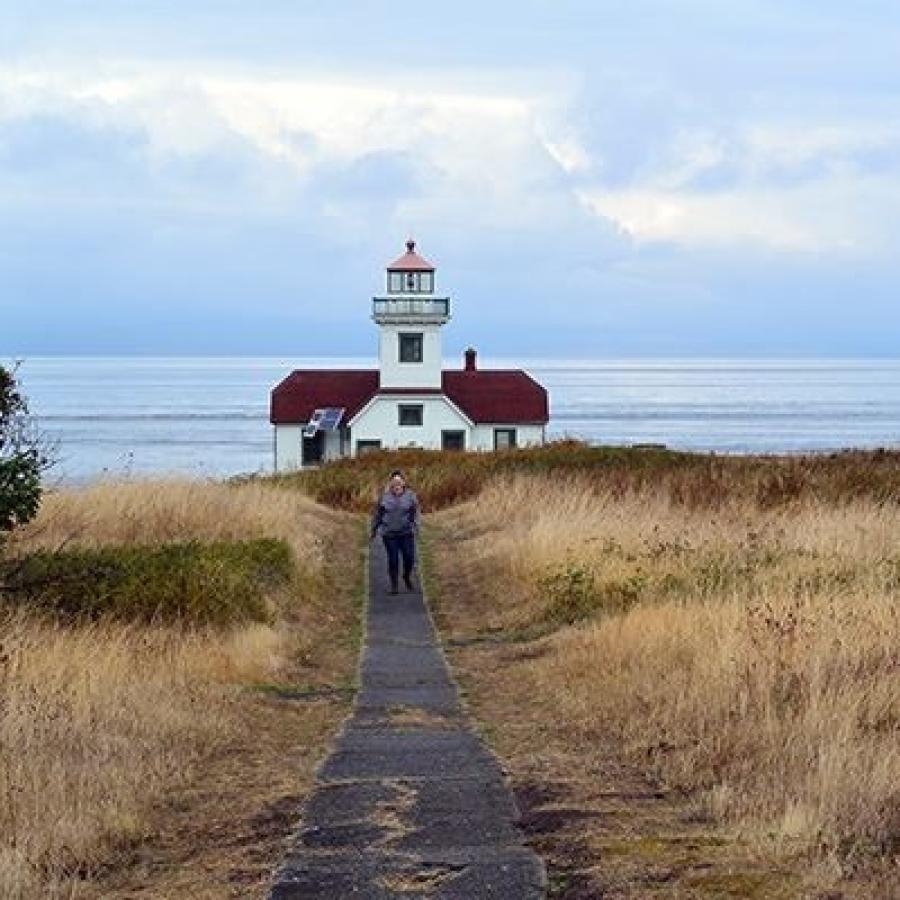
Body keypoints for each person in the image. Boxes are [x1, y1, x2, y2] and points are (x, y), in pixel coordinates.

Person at [370, 470, 419, 594]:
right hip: (389, 534)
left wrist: (416, 526)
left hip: (406, 533)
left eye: (399, 481)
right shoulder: (384, 497)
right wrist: (374, 529)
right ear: (390, 483)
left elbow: (415, 512)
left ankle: (406, 576)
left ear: (403, 483)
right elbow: (378, 514)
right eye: (394, 481)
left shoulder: (410, 496)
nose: (397, 484)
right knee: (393, 559)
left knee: (409, 558)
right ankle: (394, 585)